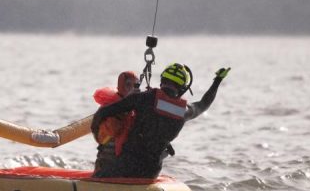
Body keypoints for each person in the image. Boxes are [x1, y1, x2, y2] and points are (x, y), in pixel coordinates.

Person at [91, 63, 230, 179]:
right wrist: (217, 81)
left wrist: (97, 135)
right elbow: (204, 103)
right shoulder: (184, 111)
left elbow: (103, 112)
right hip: (150, 173)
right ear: (182, 88)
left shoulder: (143, 98)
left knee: (99, 176)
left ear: (162, 80)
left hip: (125, 166)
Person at [92, 71, 138, 174]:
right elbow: (108, 132)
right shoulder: (111, 109)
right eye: (128, 85)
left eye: (134, 85)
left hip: (121, 164)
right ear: (121, 86)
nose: (131, 88)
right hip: (107, 164)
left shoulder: (131, 109)